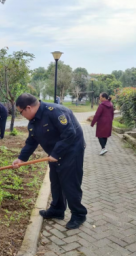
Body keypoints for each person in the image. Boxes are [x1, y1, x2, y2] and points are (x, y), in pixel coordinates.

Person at [12, 93, 87, 230]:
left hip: (72, 150)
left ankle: (79, 214)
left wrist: (56, 153)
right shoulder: (34, 121)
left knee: (69, 182)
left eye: (21, 112)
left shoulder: (56, 112)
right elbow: (32, 141)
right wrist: (21, 158)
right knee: (56, 180)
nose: (21, 115)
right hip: (54, 153)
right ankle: (57, 209)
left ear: (28, 108)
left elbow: (70, 133)